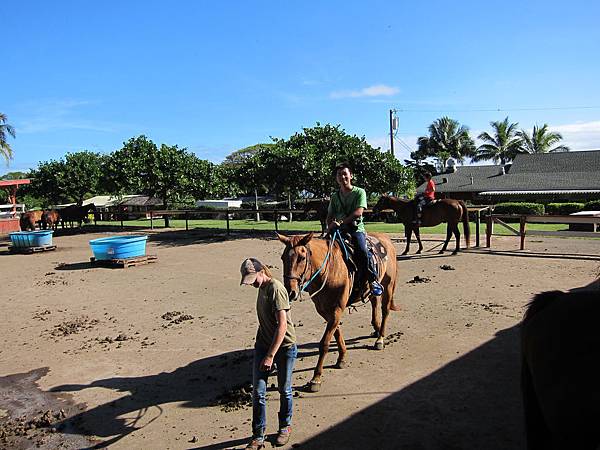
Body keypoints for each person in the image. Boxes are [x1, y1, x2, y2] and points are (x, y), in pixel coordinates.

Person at [240, 257, 298, 449]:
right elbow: (265, 321)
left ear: (261, 271)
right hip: (263, 345)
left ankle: (285, 426)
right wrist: (261, 346)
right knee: (258, 392)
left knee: (285, 389)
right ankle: (258, 435)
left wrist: (270, 355)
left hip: (284, 347)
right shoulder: (262, 288)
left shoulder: (276, 288)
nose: (252, 284)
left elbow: (282, 326)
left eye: (253, 279)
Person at [326, 162, 383, 304]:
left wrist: (340, 222)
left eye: (345, 174)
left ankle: (373, 280)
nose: (342, 177)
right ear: (336, 178)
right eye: (339, 175)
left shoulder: (359, 192)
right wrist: (330, 225)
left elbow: (359, 212)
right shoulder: (334, 196)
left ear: (351, 176)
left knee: (362, 251)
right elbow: (329, 215)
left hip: (355, 229)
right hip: (338, 231)